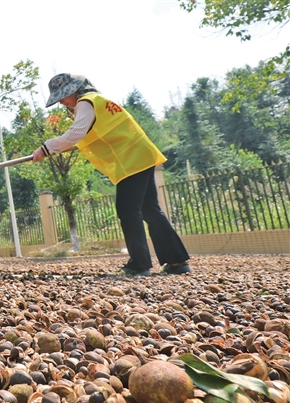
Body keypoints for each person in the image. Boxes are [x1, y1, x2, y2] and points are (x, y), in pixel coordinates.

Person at [32, 73, 191, 277]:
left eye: (62, 96)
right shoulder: (99, 101)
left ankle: (139, 265)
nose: (61, 102)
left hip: (130, 158)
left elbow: (76, 133)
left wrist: (46, 149)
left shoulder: (86, 102)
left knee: (128, 210)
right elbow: (91, 133)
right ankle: (177, 261)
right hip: (141, 153)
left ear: (74, 89)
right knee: (150, 209)